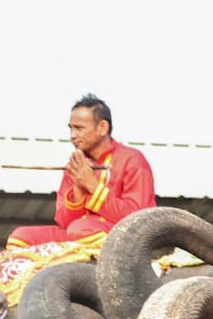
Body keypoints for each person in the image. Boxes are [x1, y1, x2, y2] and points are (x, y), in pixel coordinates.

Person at [8, 94, 156, 246]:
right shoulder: (76, 165)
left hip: (121, 236)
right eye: (71, 128)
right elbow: (65, 222)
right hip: (76, 233)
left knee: (81, 229)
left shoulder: (132, 159)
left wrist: (92, 185)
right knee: (20, 236)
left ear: (102, 127)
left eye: (79, 128)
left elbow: (139, 220)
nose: (73, 135)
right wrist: (78, 189)